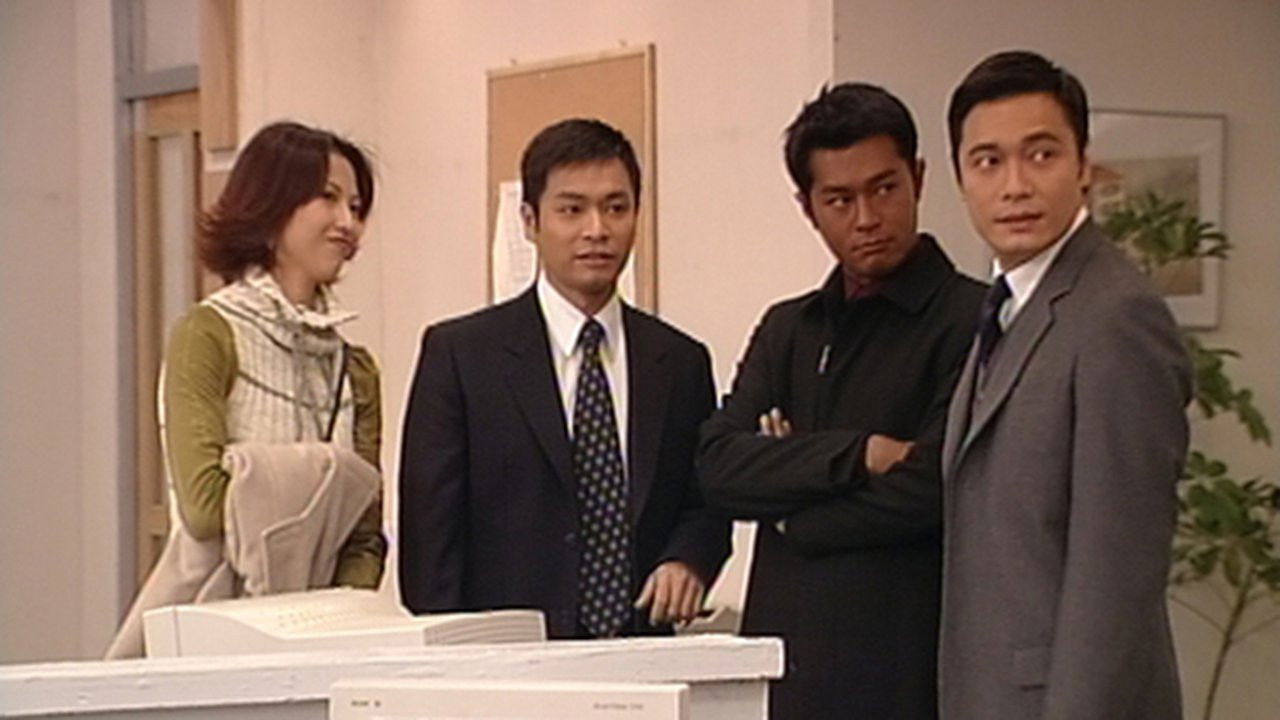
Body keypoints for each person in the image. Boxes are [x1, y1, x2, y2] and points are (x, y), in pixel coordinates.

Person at [697, 83, 984, 718]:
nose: (866, 218)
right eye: (839, 200)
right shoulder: (788, 328)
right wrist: (863, 454)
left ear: (918, 178)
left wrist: (790, 514)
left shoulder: (973, 319)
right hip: (784, 667)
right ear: (807, 207)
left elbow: (934, 487)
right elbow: (719, 469)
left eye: (884, 189)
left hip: (909, 665)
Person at [398, 118, 729, 639]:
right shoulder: (461, 357)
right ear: (530, 220)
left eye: (616, 208)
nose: (597, 229)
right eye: (572, 210)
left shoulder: (680, 361)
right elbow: (429, 539)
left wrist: (689, 560)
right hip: (507, 658)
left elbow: (706, 499)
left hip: (644, 655)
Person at [939, 50, 1191, 719]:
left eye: (1041, 155)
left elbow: (1117, 577)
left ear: (1084, 166)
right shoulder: (1009, 304)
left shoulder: (1116, 316)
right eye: (988, 161)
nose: (1015, 185)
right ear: (961, 179)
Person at [105, 121, 386, 658]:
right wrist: (326, 479)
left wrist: (330, 625)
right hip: (213, 635)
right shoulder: (207, 334)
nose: (348, 222)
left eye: (356, 206)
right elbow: (204, 508)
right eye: (328, 198)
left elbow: (365, 534)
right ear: (271, 204)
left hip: (325, 642)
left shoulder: (356, 369)